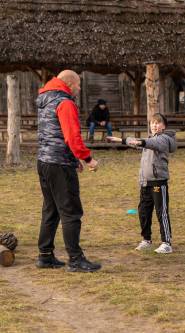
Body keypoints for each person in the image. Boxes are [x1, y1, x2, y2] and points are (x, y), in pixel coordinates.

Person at [36, 70, 101, 273]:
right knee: (71, 211)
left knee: (51, 209)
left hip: (44, 161)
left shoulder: (45, 100)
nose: (79, 89)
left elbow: (54, 134)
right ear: (69, 83)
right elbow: (72, 137)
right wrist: (87, 159)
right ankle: (75, 259)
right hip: (58, 164)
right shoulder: (65, 103)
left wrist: (73, 160)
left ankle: (45, 255)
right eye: (78, 85)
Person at [107, 113, 177, 254]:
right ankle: (146, 240)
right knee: (143, 212)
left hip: (158, 182)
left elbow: (151, 143)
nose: (154, 125)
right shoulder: (149, 139)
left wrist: (142, 142)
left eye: (157, 123)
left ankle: (166, 243)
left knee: (161, 212)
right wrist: (121, 140)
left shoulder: (164, 139)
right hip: (145, 182)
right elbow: (139, 142)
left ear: (163, 126)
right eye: (152, 123)